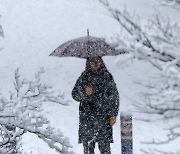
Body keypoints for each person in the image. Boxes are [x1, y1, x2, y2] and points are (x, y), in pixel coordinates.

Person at [71, 56, 119, 154]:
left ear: (101, 62)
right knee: (88, 150)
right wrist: (84, 93)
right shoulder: (84, 77)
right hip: (87, 119)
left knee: (105, 149)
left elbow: (114, 97)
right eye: (92, 61)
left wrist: (113, 114)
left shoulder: (107, 77)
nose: (95, 63)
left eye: (97, 60)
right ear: (88, 63)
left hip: (104, 118)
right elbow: (75, 95)